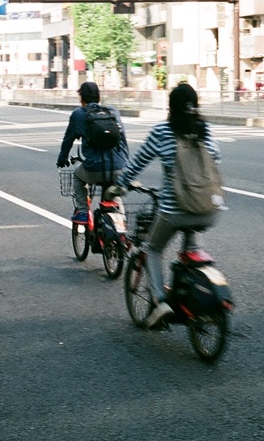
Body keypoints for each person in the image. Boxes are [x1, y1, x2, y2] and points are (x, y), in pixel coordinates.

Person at [111, 83, 220, 328]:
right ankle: (191, 293)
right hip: (208, 209)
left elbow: (137, 163)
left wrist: (120, 185)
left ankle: (161, 302)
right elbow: (216, 158)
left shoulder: (163, 131)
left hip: (175, 210)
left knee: (152, 249)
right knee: (190, 251)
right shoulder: (204, 130)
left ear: (170, 106)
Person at [55, 81, 129, 223]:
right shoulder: (113, 111)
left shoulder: (78, 114)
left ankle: (82, 211)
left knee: (78, 176)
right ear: (99, 97)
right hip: (119, 167)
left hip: (94, 168)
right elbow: (123, 139)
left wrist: (62, 159)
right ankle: (122, 228)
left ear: (81, 98)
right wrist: (124, 163)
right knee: (113, 193)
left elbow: (68, 140)